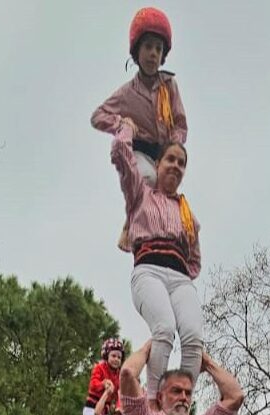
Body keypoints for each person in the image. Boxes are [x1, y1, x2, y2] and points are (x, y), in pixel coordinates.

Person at [111, 122, 202, 400]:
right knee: (164, 328)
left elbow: (195, 262)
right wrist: (126, 128)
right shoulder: (141, 195)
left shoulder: (188, 215)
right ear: (158, 164)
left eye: (182, 163)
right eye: (170, 160)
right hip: (149, 270)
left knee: (193, 339)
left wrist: (180, 275)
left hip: (180, 278)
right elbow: (120, 154)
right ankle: (153, 403)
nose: (176, 166)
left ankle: (179, 400)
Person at [91, 7, 187, 250]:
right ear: (136, 51)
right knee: (147, 178)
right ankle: (132, 225)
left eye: (158, 49)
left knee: (166, 192)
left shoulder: (169, 86)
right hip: (141, 154)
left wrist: (174, 148)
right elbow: (97, 116)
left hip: (163, 153)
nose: (153, 54)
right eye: (148, 47)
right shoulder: (127, 93)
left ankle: (168, 236)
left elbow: (180, 123)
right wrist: (122, 124)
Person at [82, 339, 125, 415]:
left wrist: (118, 408)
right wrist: (103, 384)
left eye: (119, 357)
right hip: (92, 409)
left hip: (104, 412)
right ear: (106, 356)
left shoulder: (119, 375)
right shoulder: (99, 368)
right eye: (113, 356)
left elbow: (119, 395)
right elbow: (93, 385)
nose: (116, 359)